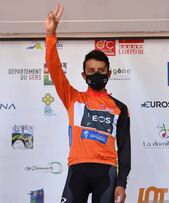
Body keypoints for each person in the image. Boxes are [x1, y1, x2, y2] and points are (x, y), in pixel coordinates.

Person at [45, 5, 131, 203]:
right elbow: (54, 68)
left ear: (109, 74)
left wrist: (122, 183)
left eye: (101, 70)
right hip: (77, 170)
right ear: (84, 75)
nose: (97, 74)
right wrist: (51, 35)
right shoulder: (73, 98)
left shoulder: (120, 108)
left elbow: (125, 149)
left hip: (107, 171)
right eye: (91, 71)